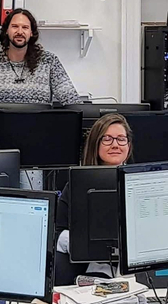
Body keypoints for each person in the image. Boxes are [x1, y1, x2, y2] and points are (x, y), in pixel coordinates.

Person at [53, 114, 134, 284]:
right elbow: (58, 233)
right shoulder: (75, 185)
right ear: (95, 144)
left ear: (129, 145)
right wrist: (82, 245)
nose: (115, 145)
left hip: (135, 265)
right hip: (88, 269)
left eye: (121, 139)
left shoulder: (142, 182)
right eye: (107, 139)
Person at [0, 8, 82, 106]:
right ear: (7, 31)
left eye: (25, 27)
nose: (20, 31)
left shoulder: (49, 62)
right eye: (14, 26)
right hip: (0, 130)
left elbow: (72, 101)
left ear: (31, 32)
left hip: (40, 128)